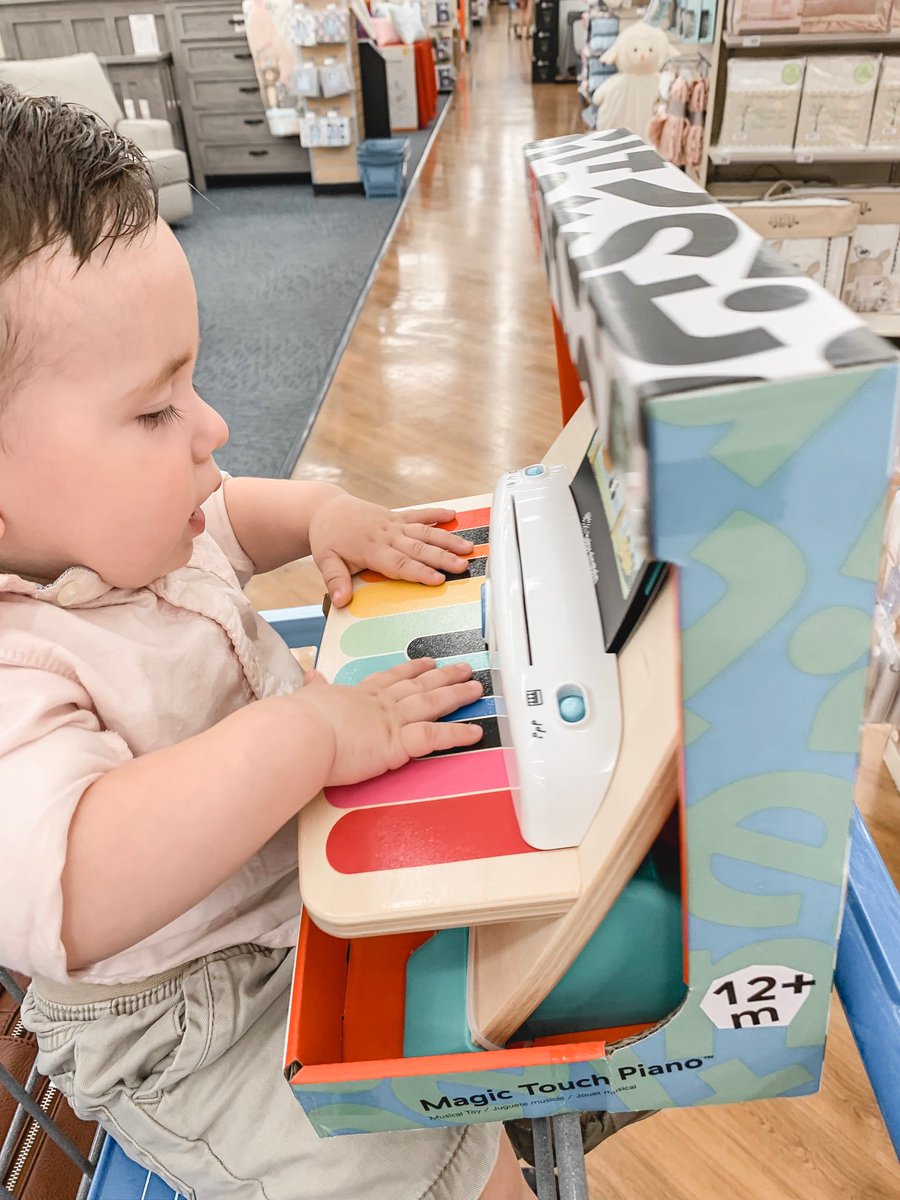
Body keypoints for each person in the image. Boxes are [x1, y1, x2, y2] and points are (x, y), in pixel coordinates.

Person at [0, 83, 534, 1200]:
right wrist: (306, 737)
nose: (211, 430)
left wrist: (321, 517)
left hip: (298, 878)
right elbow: (77, 883)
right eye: (155, 413)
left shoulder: (144, 515)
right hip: (189, 1021)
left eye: (190, 384)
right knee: (440, 1168)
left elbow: (236, 515)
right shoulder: (16, 665)